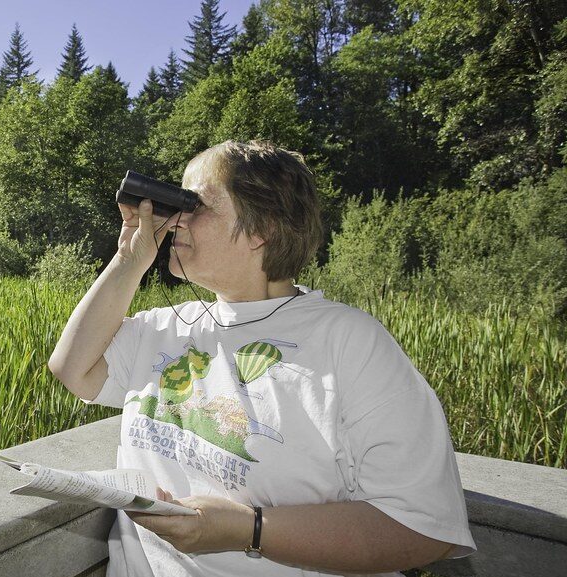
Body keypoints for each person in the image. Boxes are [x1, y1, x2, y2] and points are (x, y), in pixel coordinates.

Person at [47, 140, 476, 576]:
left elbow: (424, 529)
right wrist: (127, 260)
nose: (175, 218)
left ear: (262, 229)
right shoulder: (168, 325)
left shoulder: (349, 343)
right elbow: (73, 369)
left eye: (195, 204)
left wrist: (250, 529)